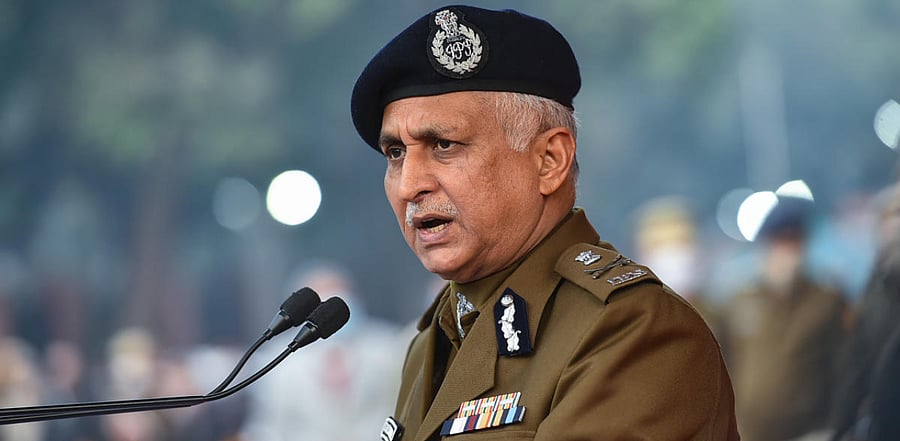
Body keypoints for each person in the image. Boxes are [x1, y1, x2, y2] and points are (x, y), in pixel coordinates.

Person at [350, 5, 738, 440]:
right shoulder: (435, 337)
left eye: (444, 144)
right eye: (396, 154)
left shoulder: (636, 331)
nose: (409, 186)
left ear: (549, 161)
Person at [720, 197, 846, 441]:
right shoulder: (740, 302)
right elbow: (725, 364)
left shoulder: (826, 302)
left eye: (794, 241)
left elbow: (843, 367)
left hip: (809, 432)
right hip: (750, 433)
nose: (787, 251)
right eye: (780, 241)